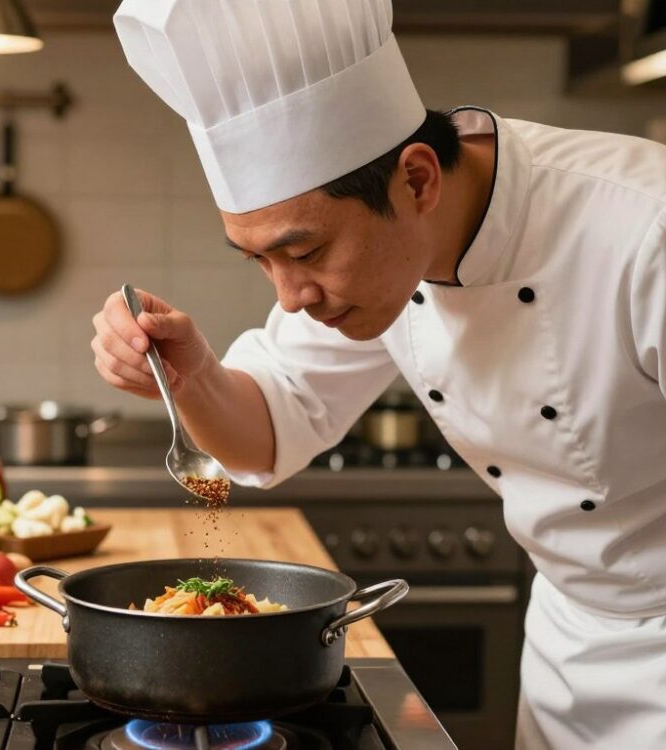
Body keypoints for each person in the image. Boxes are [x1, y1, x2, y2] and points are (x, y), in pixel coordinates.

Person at [92, 1, 666, 748]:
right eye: (260, 260)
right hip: (571, 648)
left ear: (418, 182)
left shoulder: (644, 231)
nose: (289, 296)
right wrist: (191, 371)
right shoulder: (389, 258)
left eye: (303, 254)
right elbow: (270, 426)